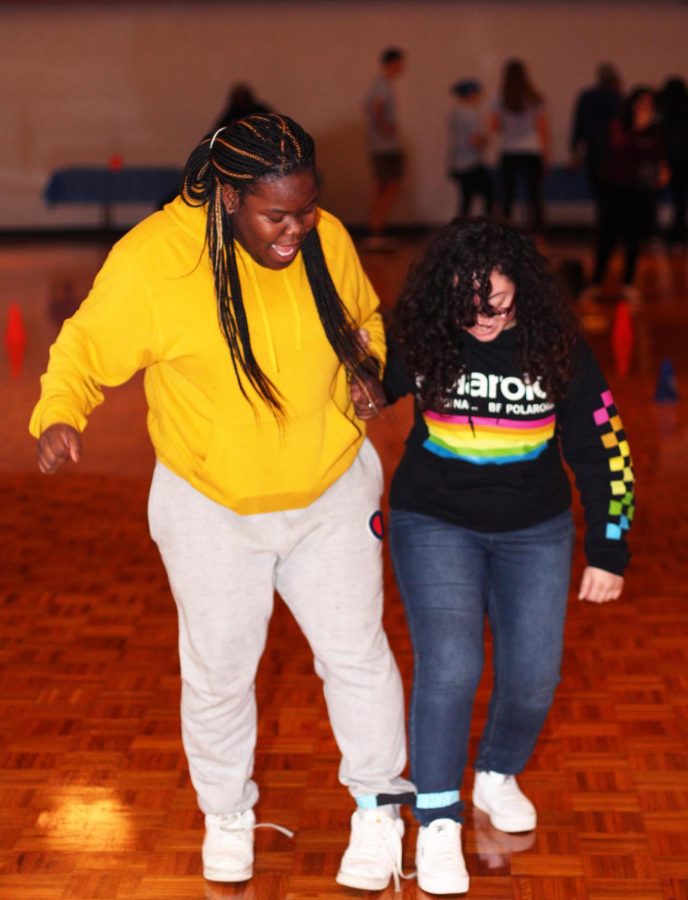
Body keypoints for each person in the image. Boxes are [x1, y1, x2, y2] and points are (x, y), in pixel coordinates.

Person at [29, 113, 415, 892]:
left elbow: (364, 319)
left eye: (308, 209)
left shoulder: (325, 237)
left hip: (331, 489)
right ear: (230, 196)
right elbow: (83, 347)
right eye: (279, 214)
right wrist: (60, 413)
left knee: (357, 656)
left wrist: (365, 366)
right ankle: (227, 814)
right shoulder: (156, 261)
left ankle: (379, 811)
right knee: (218, 673)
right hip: (211, 506)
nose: (298, 229)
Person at [365, 218, 634, 895]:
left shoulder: (558, 346)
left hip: (534, 529)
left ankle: (496, 771)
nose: (483, 319)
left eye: (499, 305)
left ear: (524, 293)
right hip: (435, 520)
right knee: (451, 665)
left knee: (534, 675)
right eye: (470, 305)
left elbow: (607, 449)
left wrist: (609, 546)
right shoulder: (422, 334)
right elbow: (355, 393)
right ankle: (436, 822)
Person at [590, 86, 669, 299]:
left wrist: (662, 170)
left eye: (649, 106)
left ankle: (628, 282)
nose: (645, 109)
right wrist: (637, 129)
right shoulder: (618, 126)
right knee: (608, 236)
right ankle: (596, 281)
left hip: (639, 191)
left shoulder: (656, 131)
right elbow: (617, 150)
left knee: (633, 237)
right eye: (641, 104)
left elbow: (659, 156)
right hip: (615, 188)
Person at [491, 59, 549, 234]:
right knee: (534, 197)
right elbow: (542, 129)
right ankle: (538, 234)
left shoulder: (499, 98)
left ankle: (505, 233)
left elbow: (495, 126)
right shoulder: (535, 98)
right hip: (532, 150)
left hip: (509, 150)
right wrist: (545, 154)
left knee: (507, 195)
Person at [362, 47, 406, 248]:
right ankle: (376, 230)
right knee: (389, 185)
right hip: (384, 146)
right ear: (393, 63)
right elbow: (376, 107)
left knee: (382, 186)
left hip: (380, 145)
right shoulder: (382, 85)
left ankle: (376, 229)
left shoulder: (380, 84)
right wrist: (385, 128)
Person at [569, 63, 623, 210]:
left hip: (593, 148)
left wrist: (575, 151)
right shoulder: (616, 98)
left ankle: (604, 225)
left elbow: (579, 126)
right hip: (612, 150)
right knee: (613, 190)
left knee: (599, 191)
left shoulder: (587, 97)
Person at [447, 79, 494, 218]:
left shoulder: (454, 113)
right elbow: (475, 140)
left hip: (458, 162)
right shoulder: (470, 114)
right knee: (489, 195)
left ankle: (459, 231)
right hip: (472, 163)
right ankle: (488, 226)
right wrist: (486, 139)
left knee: (466, 199)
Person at [657, 76, 688, 248]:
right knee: (680, 201)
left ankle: (658, 233)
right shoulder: (684, 110)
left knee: (658, 199)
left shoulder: (665, 110)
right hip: (683, 161)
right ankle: (678, 234)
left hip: (668, 159)